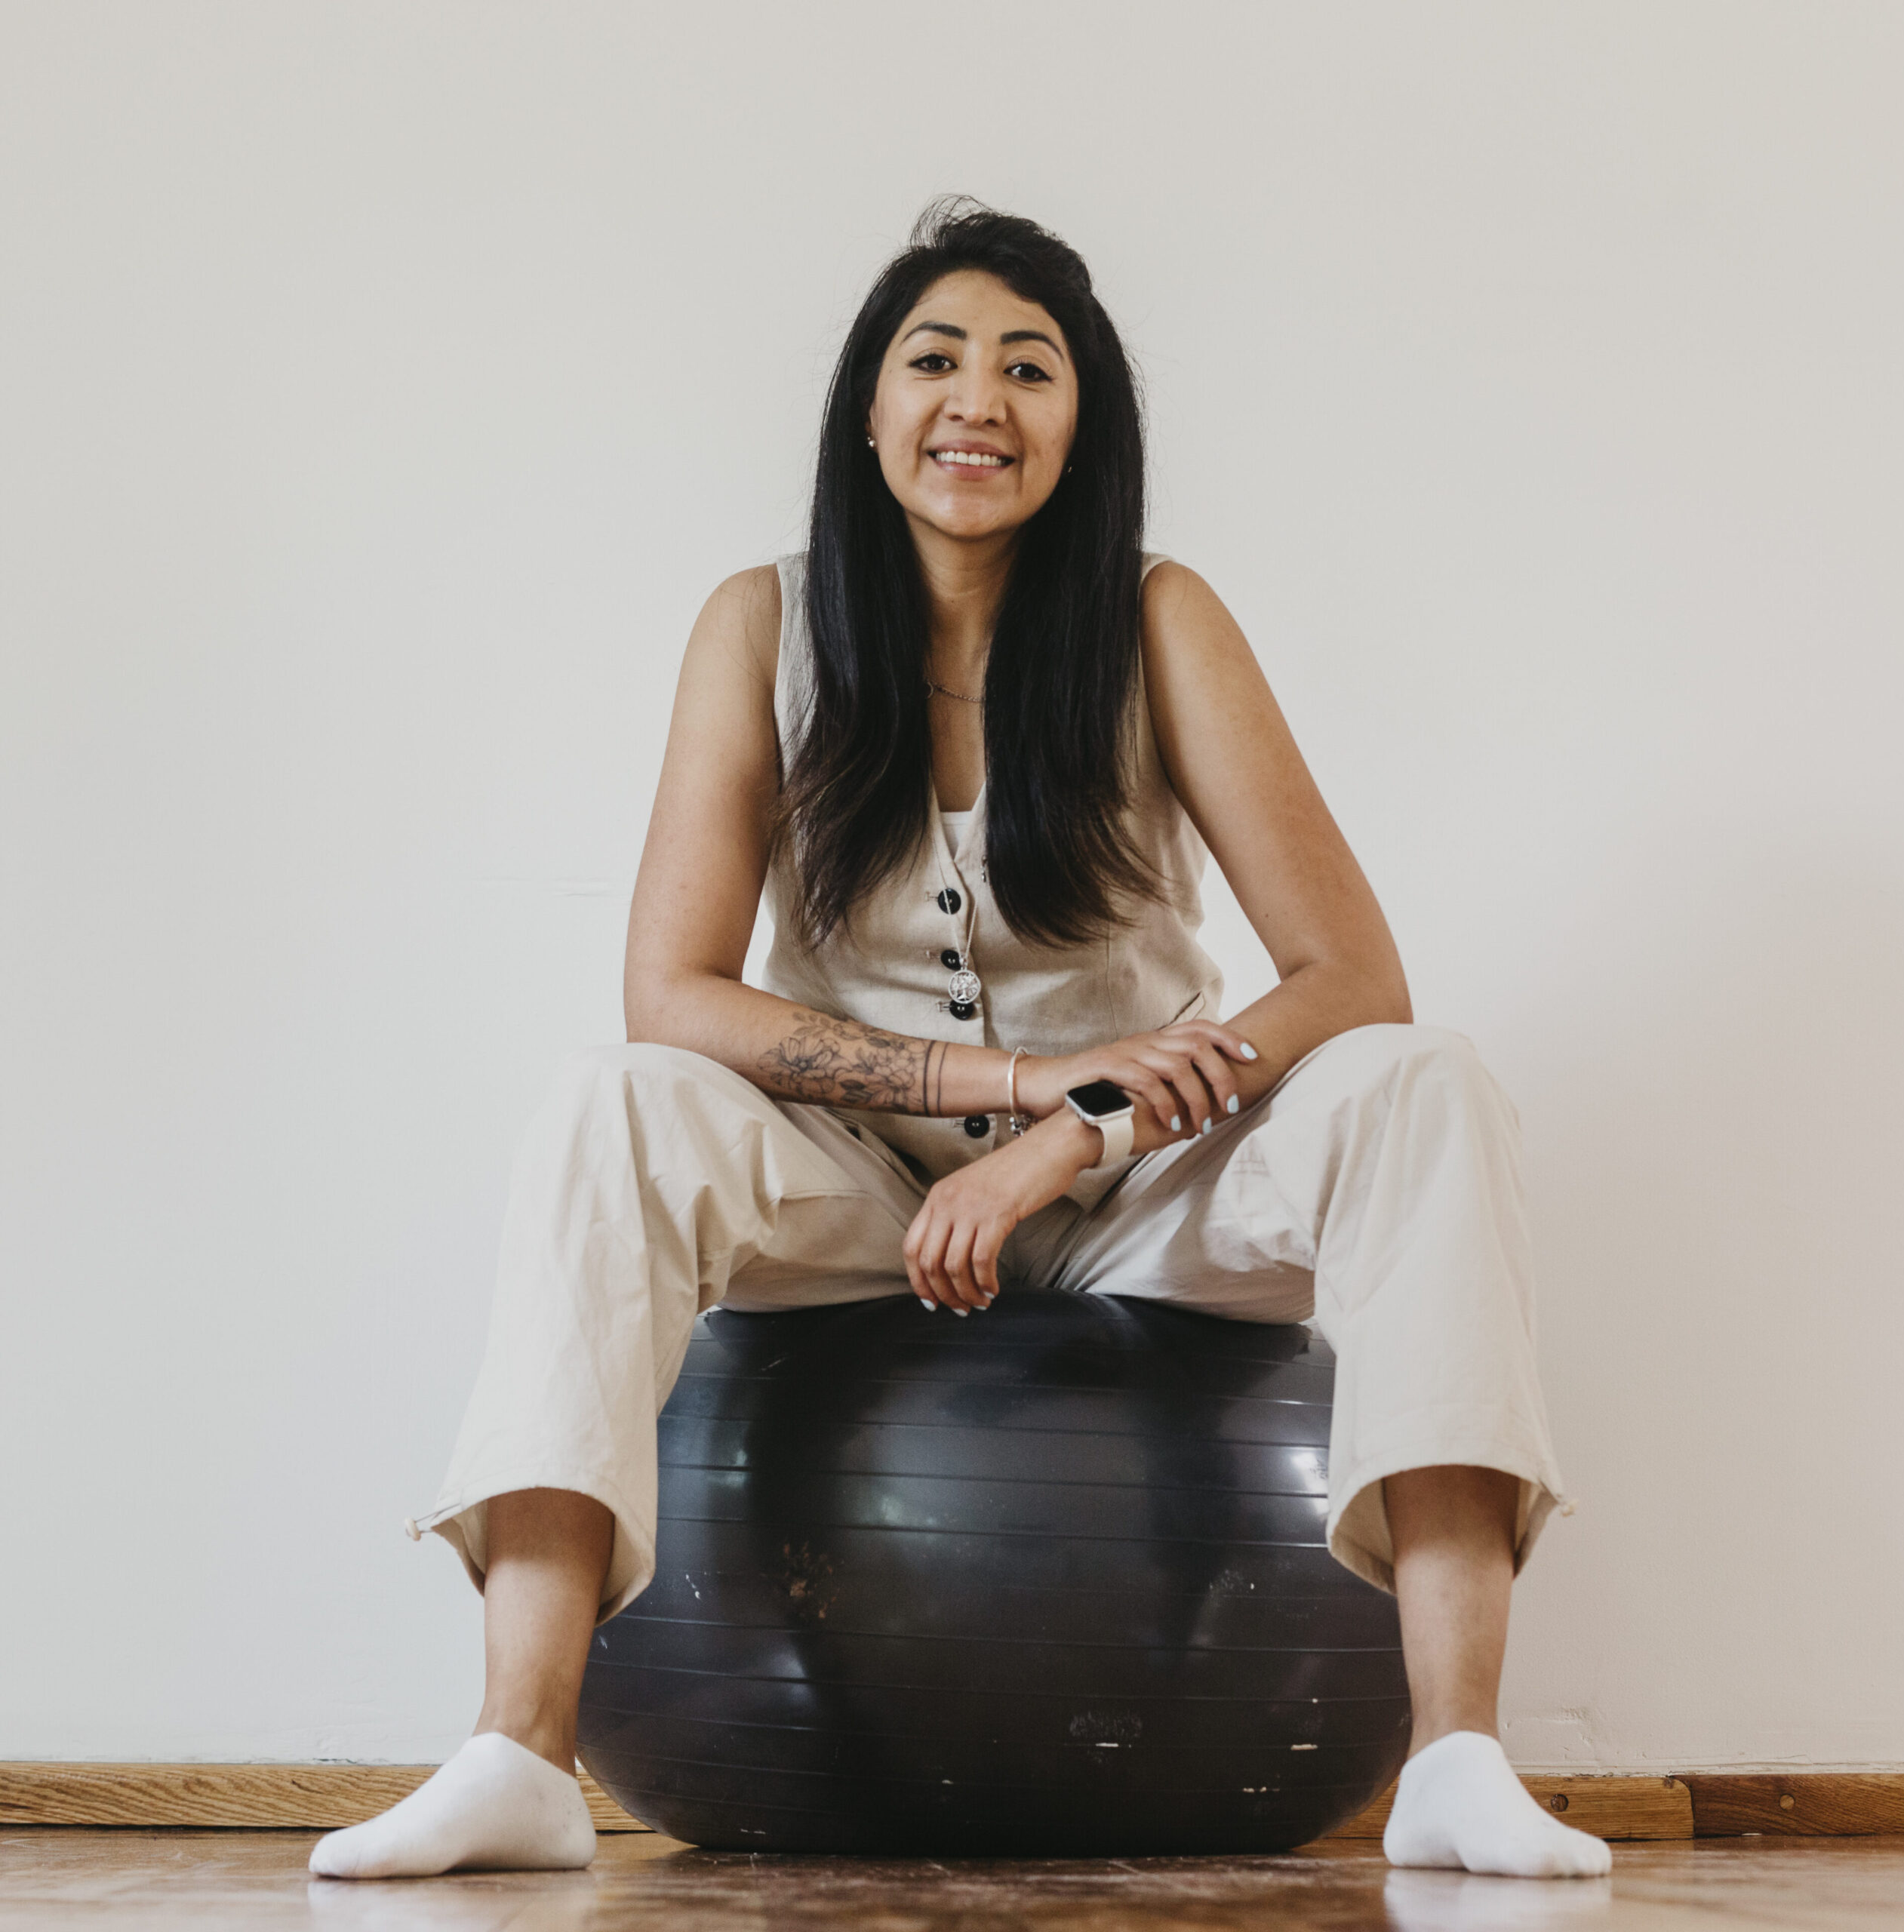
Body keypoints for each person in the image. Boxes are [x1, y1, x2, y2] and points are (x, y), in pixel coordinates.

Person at [310, 200, 1610, 1884]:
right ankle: (517, 1748)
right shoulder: (759, 627)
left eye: (1027, 365)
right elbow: (676, 994)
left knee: (1424, 1081)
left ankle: (1453, 1754)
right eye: (933, 358)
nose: (974, 398)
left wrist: (1082, 1126)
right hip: (856, 1188)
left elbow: (1348, 968)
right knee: (610, 1104)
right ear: (867, 408)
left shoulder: (1158, 619)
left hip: (1147, 1186)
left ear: (1083, 424)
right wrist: (992, 1086)